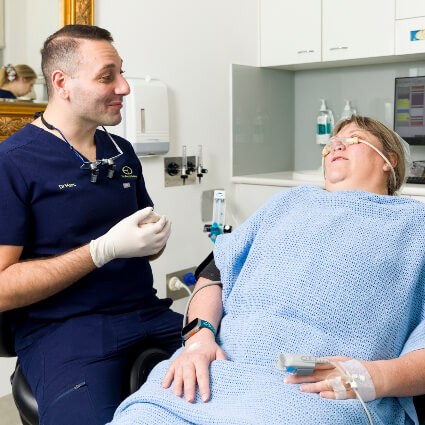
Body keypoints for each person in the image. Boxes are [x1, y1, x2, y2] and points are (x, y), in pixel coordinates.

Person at [110, 116, 425, 425]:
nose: (336, 146)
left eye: (353, 139)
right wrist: (196, 340)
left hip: (314, 391)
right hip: (213, 372)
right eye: (331, 143)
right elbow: (213, 274)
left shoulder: (414, 224)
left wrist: (374, 378)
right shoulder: (288, 203)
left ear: (390, 160)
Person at [0, 25, 183, 425]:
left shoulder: (120, 151)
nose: (124, 87)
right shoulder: (13, 162)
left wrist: (151, 242)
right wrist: (101, 250)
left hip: (147, 313)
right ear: (61, 82)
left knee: (246, 376)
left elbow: (142, 245)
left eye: (121, 73)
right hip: (65, 331)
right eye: (107, 76)